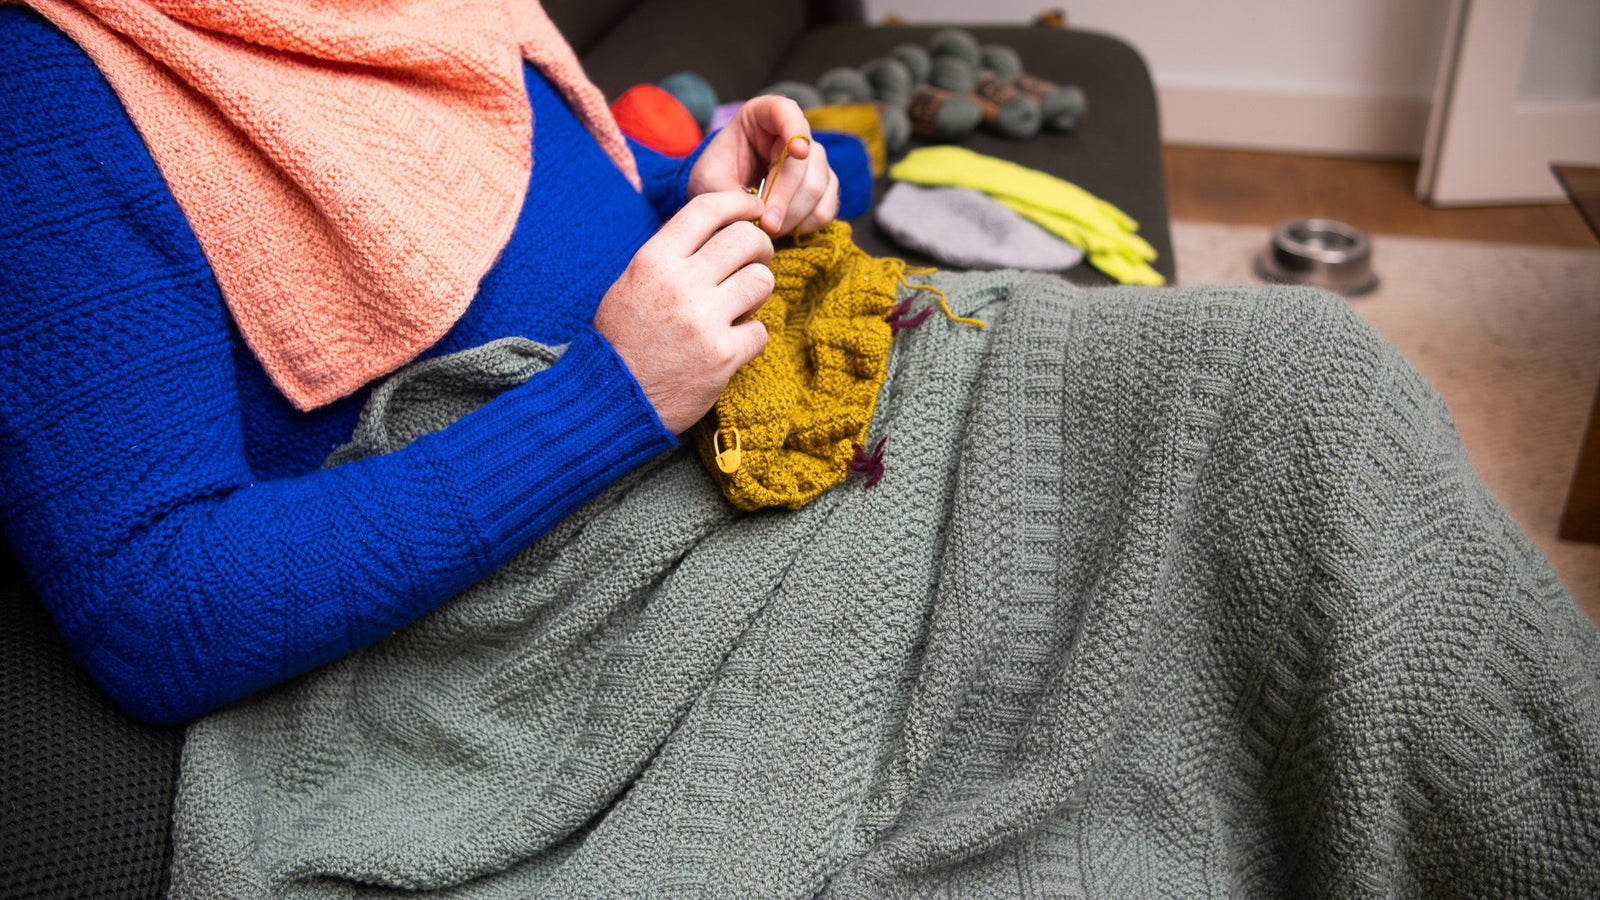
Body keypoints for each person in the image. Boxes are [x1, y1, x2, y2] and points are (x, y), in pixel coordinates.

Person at [0, 0, 852, 725]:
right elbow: (151, 605)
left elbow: (496, 206)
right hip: (589, 577)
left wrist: (685, 195)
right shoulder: (45, 87)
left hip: (746, 398)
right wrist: (612, 397)